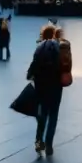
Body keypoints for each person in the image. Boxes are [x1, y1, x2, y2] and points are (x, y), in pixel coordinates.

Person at [27, 24, 63, 155]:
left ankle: (38, 140)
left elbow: (32, 67)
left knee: (42, 113)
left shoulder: (39, 49)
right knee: (53, 116)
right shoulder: (58, 47)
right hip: (56, 86)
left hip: (41, 86)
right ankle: (49, 144)